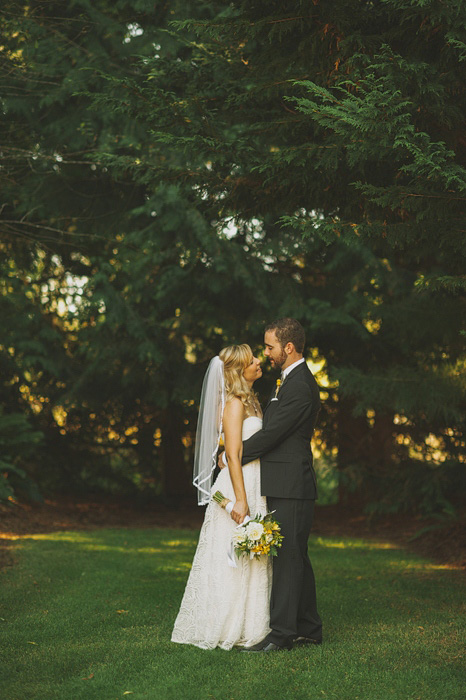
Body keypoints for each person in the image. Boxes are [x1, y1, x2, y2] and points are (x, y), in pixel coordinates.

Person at [220, 318, 322, 652]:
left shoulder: (300, 385)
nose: (266, 353)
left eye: (270, 347)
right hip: (284, 480)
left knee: (289, 556)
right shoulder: (287, 381)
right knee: (296, 556)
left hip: (292, 482)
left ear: (288, 347)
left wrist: (231, 455)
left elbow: (272, 435)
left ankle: (281, 635)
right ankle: (309, 628)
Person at [171, 344, 272, 650]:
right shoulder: (234, 404)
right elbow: (232, 452)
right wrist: (240, 500)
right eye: (252, 359)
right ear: (239, 370)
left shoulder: (251, 401)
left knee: (254, 554)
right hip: (240, 485)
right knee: (233, 555)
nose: (259, 361)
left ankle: (254, 622)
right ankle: (225, 623)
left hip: (254, 480)